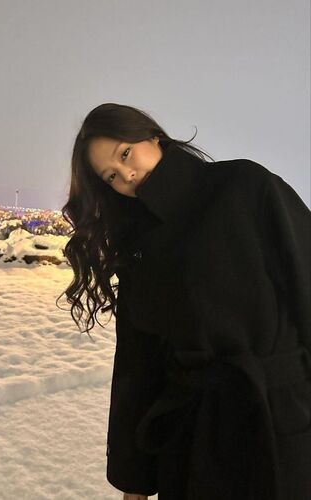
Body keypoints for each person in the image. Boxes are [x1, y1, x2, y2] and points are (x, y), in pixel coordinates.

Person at [57, 102, 311, 499]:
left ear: (152, 136)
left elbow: (305, 281)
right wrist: (133, 479)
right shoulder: (137, 246)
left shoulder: (244, 186)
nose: (127, 174)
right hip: (192, 439)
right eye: (112, 176)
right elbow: (138, 362)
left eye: (125, 154)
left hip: (282, 422)